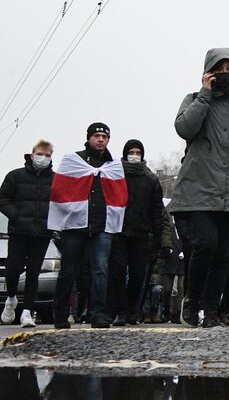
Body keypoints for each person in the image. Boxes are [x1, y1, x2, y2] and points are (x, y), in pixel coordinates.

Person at [170, 49, 229, 328]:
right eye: (218, 67)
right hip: (199, 190)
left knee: (224, 254)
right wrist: (204, 93)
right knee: (205, 245)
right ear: (208, 71)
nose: (225, 72)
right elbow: (185, 128)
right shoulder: (194, 100)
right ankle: (193, 300)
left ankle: (211, 310)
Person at [48, 123, 126, 329]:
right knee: (69, 270)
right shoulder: (73, 161)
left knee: (100, 269)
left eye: (104, 136)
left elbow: (121, 196)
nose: (100, 139)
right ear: (89, 138)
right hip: (75, 225)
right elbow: (58, 190)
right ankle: (61, 314)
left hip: (102, 225)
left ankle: (97, 313)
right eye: (97, 136)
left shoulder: (114, 165)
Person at [108, 139, 171, 326]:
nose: (134, 155)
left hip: (141, 234)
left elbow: (157, 211)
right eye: (131, 152)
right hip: (119, 232)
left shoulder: (150, 180)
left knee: (138, 275)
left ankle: (132, 310)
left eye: (137, 152)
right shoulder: (115, 175)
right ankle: (120, 311)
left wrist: (158, 238)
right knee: (118, 274)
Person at [0, 140, 54, 329]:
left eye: (48, 155)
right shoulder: (15, 176)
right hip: (19, 231)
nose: (44, 158)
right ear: (32, 155)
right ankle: (12, 298)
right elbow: (3, 199)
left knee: (33, 272)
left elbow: (61, 203)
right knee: (13, 269)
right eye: (40, 154)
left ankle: (27, 312)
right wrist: (16, 216)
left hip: (42, 233)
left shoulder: (55, 179)